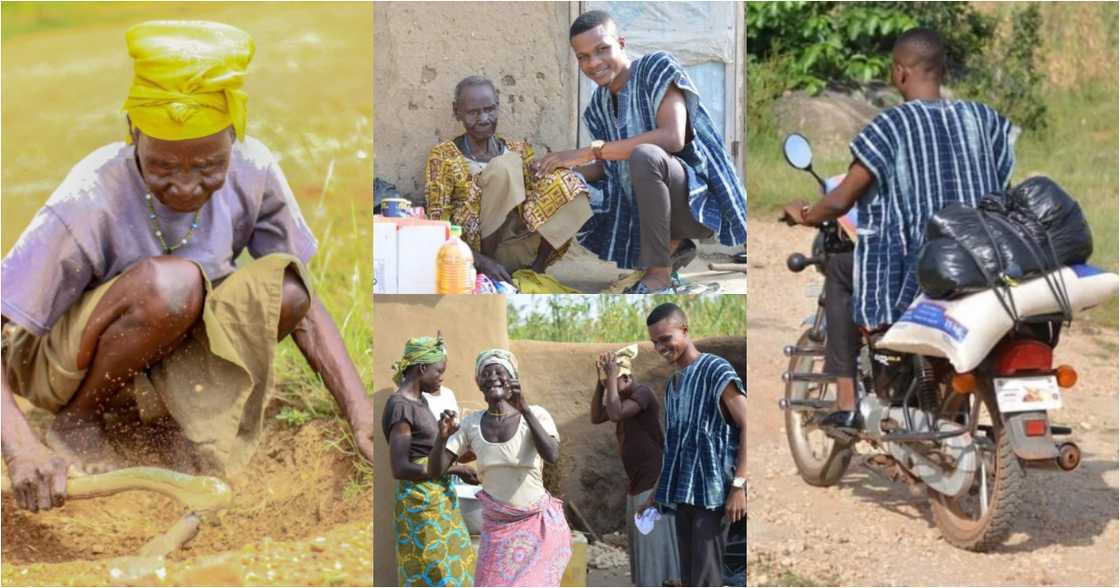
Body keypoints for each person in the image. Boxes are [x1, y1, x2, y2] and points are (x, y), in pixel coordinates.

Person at [0, 21, 374, 513]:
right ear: (133, 133)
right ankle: (80, 421)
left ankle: (175, 421)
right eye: (161, 166)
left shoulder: (255, 169)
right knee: (173, 284)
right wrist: (20, 447)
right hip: (60, 358)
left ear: (234, 136)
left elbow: (302, 307)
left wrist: (360, 411)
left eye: (207, 167)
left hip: (168, 343)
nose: (184, 186)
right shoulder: (91, 193)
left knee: (285, 288)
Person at [780, 27, 1016, 431]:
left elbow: (840, 201)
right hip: (986, 262)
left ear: (900, 72)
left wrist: (804, 214)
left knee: (840, 269)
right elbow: (1002, 187)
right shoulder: (985, 120)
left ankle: (847, 403)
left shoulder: (890, 126)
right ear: (941, 71)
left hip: (921, 269)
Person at [533, 10, 747, 294]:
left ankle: (658, 275)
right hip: (644, 208)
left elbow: (672, 137)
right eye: (583, 57)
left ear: (621, 43)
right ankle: (673, 247)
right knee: (569, 182)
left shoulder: (655, 68)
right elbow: (611, 165)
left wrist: (588, 152)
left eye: (602, 49)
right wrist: (563, 172)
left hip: (695, 203)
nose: (593, 63)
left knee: (645, 156)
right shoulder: (598, 105)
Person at [425, 76, 593, 284]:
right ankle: (489, 269)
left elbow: (538, 200)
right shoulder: (443, 157)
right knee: (503, 167)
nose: (483, 118)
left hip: (520, 248)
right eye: (473, 112)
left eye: (489, 109)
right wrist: (481, 261)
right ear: (456, 111)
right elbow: (437, 224)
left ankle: (536, 269)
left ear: (498, 106)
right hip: (473, 254)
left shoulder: (519, 150)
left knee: (569, 182)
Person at [429, 349, 572, 587]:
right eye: (486, 373)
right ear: (478, 383)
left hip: (539, 527)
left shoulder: (535, 414)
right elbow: (435, 471)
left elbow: (551, 455)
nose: (493, 377)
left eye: (499, 371)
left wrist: (525, 409)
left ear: (513, 379)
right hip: (497, 531)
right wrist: (441, 438)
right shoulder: (471, 424)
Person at [641, 303, 746, 587]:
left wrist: (739, 485)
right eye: (655, 342)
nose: (661, 347)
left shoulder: (715, 369)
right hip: (683, 495)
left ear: (685, 331)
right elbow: (674, 448)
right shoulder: (673, 384)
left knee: (705, 578)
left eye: (666, 339)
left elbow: (748, 423)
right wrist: (656, 493)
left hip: (713, 496)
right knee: (689, 578)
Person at [382, 335, 476, 587]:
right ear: (422, 368)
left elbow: (428, 452)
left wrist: (454, 459)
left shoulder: (420, 401)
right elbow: (400, 467)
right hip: (420, 503)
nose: (441, 378)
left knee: (453, 569)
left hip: (438, 499)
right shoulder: (401, 406)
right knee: (432, 572)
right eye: (439, 371)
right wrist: (449, 469)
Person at [590, 344, 681, 587]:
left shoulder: (643, 393)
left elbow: (615, 413)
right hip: (638, 481)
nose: (610, 386)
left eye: (614, 380)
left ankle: (664, 582)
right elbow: (596, 417)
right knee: (643, 540)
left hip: (653, 480)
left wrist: (610, 378)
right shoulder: (619, 398)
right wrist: (601, 384)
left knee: (653, 541)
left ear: (627, 377)